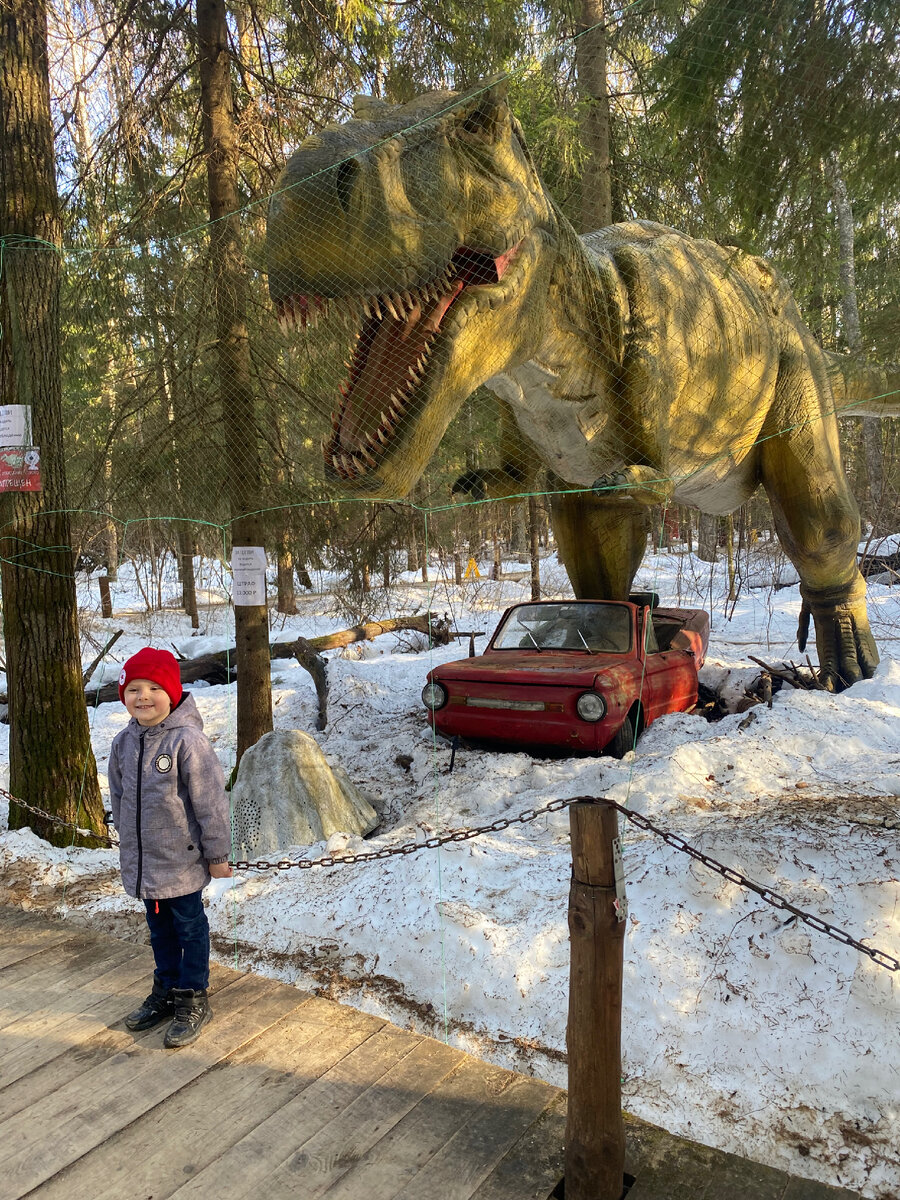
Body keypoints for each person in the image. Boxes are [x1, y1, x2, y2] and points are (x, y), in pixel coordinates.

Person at [108, 647, 232, 1048]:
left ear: (173, 692)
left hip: (181, 861)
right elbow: (121, 797)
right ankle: (166, 989)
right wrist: (129, 846)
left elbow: (210, 802)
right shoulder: (123, 743)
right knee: (159, 930)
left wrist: (217, 854)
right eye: (134, 689)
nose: (143, 697)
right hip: (145, 863)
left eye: (154, 688)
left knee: (189, 928)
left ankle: (193, 995)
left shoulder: (188, 742)